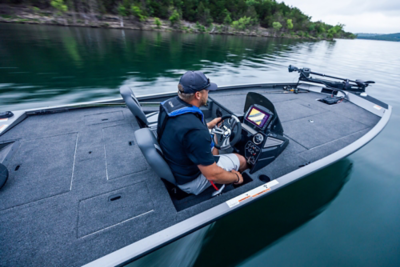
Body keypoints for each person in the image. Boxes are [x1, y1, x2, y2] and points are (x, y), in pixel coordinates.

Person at [157, 71, 248, 195]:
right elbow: (212, 175)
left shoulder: (168, 106)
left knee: (213, 137)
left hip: (176, 162)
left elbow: (183, 131)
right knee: (241, 160)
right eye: (207, 90)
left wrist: (209, 127)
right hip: (190, 181)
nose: (208, 92)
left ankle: (218, 161)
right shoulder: (196, 132)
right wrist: (235, 177)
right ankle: (239, 185)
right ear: (198, 95)